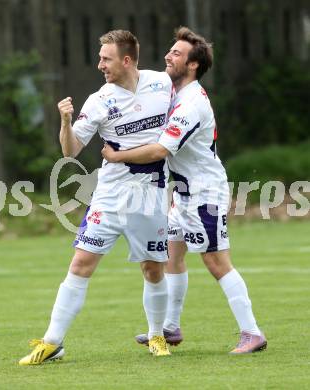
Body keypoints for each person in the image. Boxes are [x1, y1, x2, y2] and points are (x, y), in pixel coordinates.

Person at [102, 27, 267, 355]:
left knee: (216, 261)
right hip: (183, 194)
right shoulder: (174, 92)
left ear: (193, 65)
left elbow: (161, 151)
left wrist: (116, 155)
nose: (168, 56)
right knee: (171, 255)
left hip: (204, 194)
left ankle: (252, 333)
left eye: (176, 53)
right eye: (170, 50)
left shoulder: (191, 103)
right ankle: (171, 327)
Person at [19, 30, 173, 365]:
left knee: (153, 269)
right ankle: (52, 342)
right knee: (80, 263)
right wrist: (65, 122)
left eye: (106, 58)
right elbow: (71, 150)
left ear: (127, 60)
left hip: (151, 194)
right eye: (100, 57)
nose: (99, 64)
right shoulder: (100, 100)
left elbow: (186, 111)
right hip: (110, 195)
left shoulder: (162, 84)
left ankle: (157, 335)